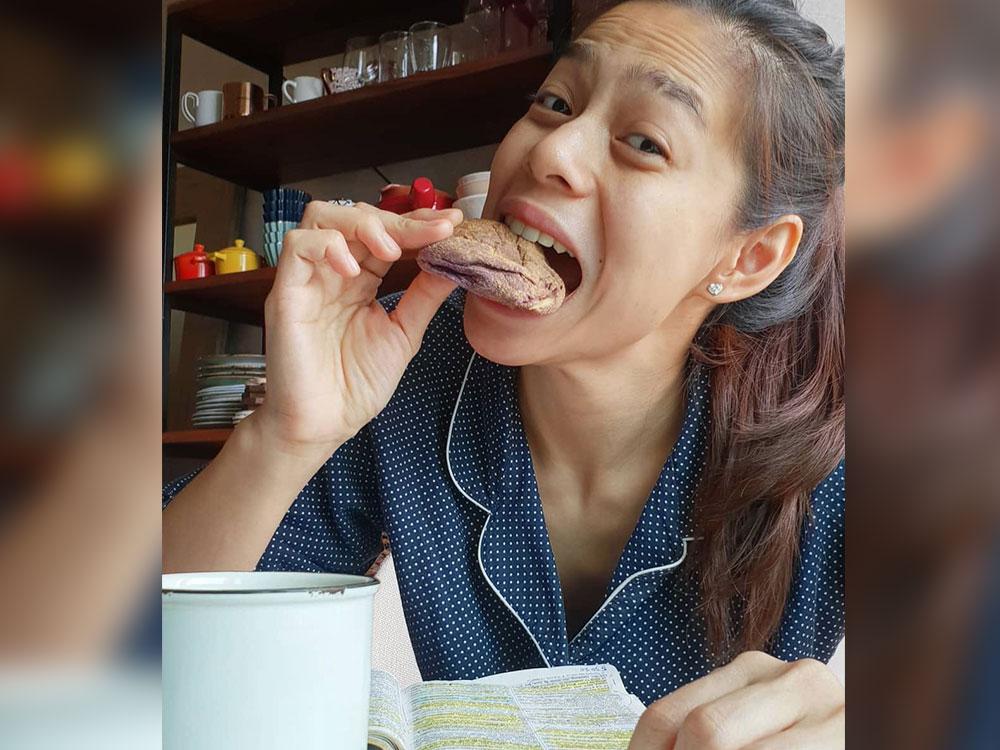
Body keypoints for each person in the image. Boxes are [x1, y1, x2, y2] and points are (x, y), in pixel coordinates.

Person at [164, 0, 845, 745]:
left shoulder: (849, 443)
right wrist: (283, 436)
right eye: (555, 103)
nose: (552, 150)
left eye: (644, 142)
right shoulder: (403, 360)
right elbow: (128, 659)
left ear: (749, 257)